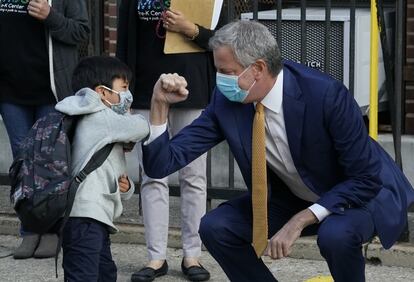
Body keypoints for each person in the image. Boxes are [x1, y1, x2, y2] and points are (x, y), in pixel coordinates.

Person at [141, 21, 414, 282]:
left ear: (258, 68)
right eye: (217, 70)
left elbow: (365, 178)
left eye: (227, 71)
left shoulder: (325, 95)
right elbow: (160, 164)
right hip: (294, 196)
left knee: (335, 235)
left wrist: (302, 219)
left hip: (361, 195)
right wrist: (159, 105)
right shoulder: (226, 102)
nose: (220, 80)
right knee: (216, 227)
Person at [116, 1, 220, 281]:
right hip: (146, 90)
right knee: (152, 175)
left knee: (194, 175)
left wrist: (192, 30)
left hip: (194, 86)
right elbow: (125, 42)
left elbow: (226, 39)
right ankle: (155, 258)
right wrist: (124, 94)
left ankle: (192, 254)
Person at [0, 0, 89, 259]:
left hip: (50, 90)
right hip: (9, 89)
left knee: (49, 162)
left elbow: (81, 32)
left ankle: (51, 230)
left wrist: (51, 16)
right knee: (22, 162)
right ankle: (29, 230)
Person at [55, 56, 149, 281]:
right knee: (85, 276)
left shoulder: (85, 116)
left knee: (104, 273)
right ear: (102, 92)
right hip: (85, 216)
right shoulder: (100, 116)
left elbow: (108, 171)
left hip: (91, 216)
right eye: (124, 87)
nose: (128, 94)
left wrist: (124, 188)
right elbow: (142, 126)